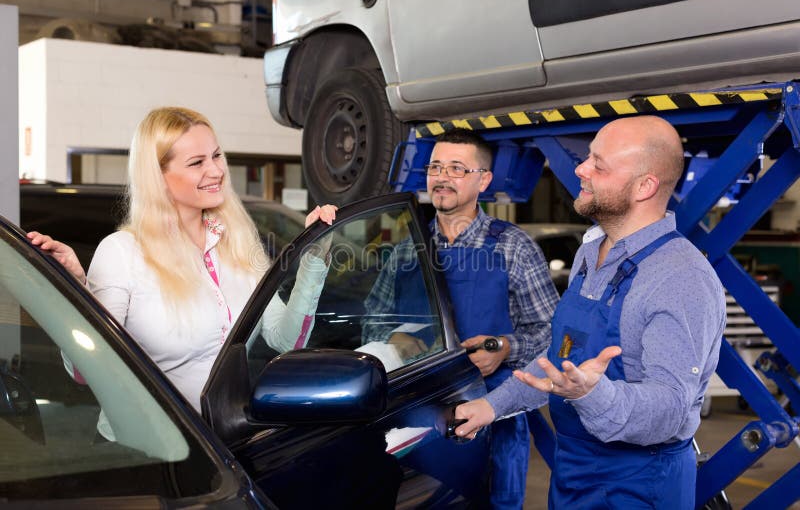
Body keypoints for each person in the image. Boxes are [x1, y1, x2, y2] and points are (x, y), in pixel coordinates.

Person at [455, 115, 727, 509]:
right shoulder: (591, 252)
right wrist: (491, 406)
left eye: (599, 164)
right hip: (574, 474)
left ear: (644, 186)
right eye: (587, 159)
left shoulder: (680, 278)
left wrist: (593, 394)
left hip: (637, 486)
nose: (580, 169)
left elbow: (670, 409)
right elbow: (560, 361)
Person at [27, 106, 338, 426]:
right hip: (153, 452)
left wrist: (314, 259)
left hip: (227, 447)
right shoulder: (122, 253)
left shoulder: (240, 243)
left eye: (217, 156)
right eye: (197, 163)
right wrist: (80, 293)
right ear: (158, 176)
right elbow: (85, 373)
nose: (216, 171)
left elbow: (286, 340)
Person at [364, 127, 559, 509]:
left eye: (457, 168)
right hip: (419, 416)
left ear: (483, 180)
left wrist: (504, 347)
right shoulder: (408, 252)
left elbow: (553, 332)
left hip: (494, 414)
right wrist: (393, 340)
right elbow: (373, 320)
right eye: (436, 167)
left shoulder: (512, 247)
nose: (442, 177)